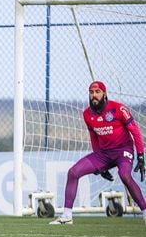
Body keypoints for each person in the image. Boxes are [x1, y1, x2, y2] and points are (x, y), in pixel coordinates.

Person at [50, 80, 146, 225]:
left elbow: (135, 131)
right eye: (91, 92)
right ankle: (67, 216)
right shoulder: (87, 114)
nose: (94, 95)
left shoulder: (119, 109)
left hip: (123, 151)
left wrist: (140, 154)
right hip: (103, 154)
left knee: (124, 175)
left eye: (97, 92)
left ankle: (145, 211)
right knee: (73, 172)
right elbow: (94, 137)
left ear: (104, 94)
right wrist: (100, 165)